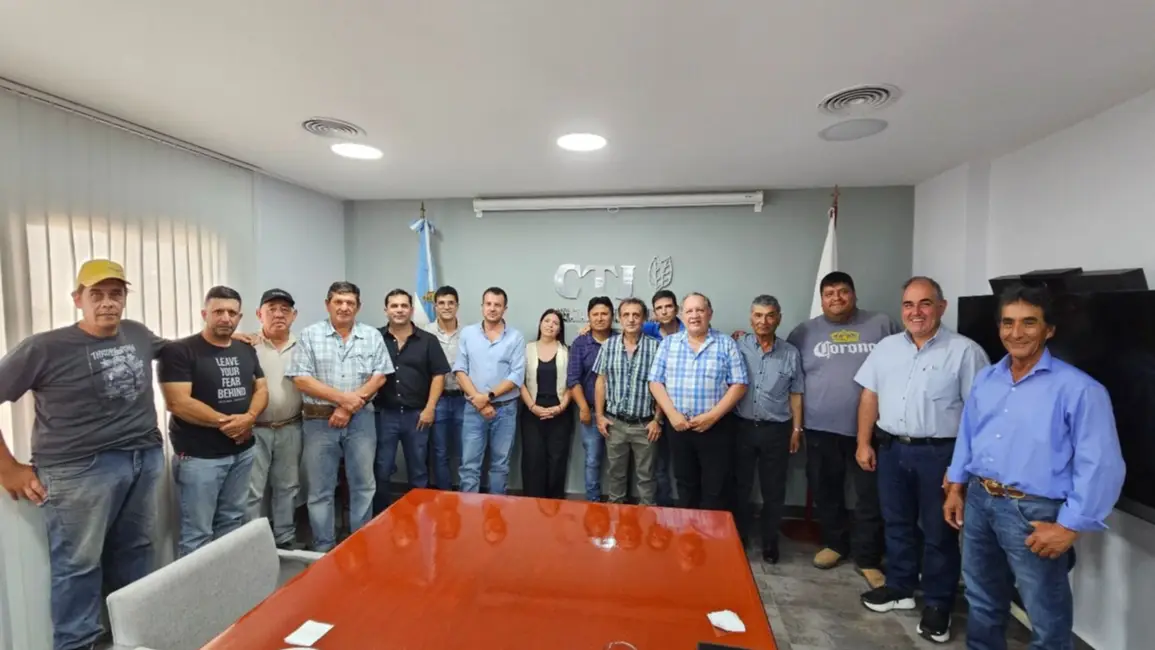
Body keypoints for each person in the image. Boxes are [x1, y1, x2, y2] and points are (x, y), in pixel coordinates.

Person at [944, 284, 1125, 650]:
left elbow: (1101, 464)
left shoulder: (1079, 389)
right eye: (1008, 323)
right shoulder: (987, 379)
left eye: (1029, 322)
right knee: (981, 600)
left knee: (1046, 616)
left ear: (1049, 329)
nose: (1016, 333)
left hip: (1033, 512)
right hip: (979, 500)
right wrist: (956, 485)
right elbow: (969, 434)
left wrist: (1069, 526)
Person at [0, 259, 166, 650]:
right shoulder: (44, 347)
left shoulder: (137, 333)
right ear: (78, 299)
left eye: (116, 294)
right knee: (79, 566)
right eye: (97, 294)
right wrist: (7, 468)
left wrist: (236, 336)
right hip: (78, 470)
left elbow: (180, 349)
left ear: (125, 298)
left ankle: (133, 639)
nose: (108, 302)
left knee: (137, 553)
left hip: (143, 458)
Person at [853, 277, 989, 643]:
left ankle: (938, 603)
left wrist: (960, 469)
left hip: (939, 454)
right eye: (909, 305)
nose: (916, 312)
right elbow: (869, 396)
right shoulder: (886, 348)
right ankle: (900, 587)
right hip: (892, 450)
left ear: (941, 307)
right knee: (896, 523)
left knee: (938, 532)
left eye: (925, 303)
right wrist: (863, 443)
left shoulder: (965, 352)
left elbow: (978, 415)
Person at [786, 271, 900, 586]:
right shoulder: (804, 332)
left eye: (843, 291)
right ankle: (835, 543)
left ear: (854, 294)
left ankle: (868, 557)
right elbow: (788, 370)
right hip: (820, 428)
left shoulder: (881, 324)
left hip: (871, 431)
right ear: (821, 299)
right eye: (829, 293)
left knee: (869, 496)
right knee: (826, 491)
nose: (836, 298)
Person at [159, 285, 269, 558]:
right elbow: (178, 403)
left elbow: (261, 388)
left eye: (232, 313)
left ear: (239, 317)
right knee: (197, 533)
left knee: (232, 521)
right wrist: (230, 424)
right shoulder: (180, 351)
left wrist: (250, 418)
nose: (225, 318)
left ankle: (225, 581)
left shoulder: (245, 349)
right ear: (204, 314)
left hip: (242, 453)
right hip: (200, 457)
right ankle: (196, 587)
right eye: (218, 311)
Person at [285, 281, 393, 552]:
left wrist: (348, 407)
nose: (344, 307)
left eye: (350, 303)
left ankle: (360, 543)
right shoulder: (310, 335)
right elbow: (301, 379)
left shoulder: (371, 335)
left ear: (358, 306)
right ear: (328, 304)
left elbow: (379, 376)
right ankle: (323, 547)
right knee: (320, 490)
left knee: (364, 485)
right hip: (318, 422)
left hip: (361, 420)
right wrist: (343, 400)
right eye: (338, 302)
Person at [648, 292, 748, 510]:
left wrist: (711, 417)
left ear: (709, 313)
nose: (694, 316)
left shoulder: (726, 343)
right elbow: (655, 382)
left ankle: (710, 532)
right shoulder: (669, 344)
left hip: (716, 428)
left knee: (715, 488)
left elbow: (739, 384)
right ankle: (688, 531)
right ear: (682, 315)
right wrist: (672, 415)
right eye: (689, 311)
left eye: (700, 310)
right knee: (685, 485)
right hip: (679, 427)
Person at [733, 295, 804, 564]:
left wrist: (796, 430)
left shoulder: (790, 353)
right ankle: (738, 536)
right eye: (758, 315)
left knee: (773, 489)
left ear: (778, 319)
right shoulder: (737, 346)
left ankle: (770, 541)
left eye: (770, 315)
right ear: (751, 318)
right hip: (741, 427)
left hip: (776, 430)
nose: (764, 321)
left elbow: (796, 393)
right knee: (740, 486)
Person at [373, 289, 450, 512]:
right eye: (394, 306)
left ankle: (420, 517)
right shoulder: (374, 338)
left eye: (404, 306)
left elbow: (439, 375)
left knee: (418, 470)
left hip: (417, 416)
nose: (399, 310)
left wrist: (430, 408)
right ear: (386, 310)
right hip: (383, 415)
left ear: (411, 310)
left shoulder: (428, 340)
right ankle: (380, 517)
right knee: (381, 469)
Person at [245, 288, 304, 550]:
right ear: (259, 314)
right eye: (272, 309)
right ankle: (250, 545)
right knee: (252, 491)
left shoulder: (304, 346)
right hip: (254, 430)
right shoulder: (246, 345)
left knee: (288, 486)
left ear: (294, 315)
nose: (279, 314)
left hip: (291, 426)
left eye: (284, 310)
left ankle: (284, 538)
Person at [454, 287, 526, 494]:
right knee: (469, 466)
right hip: (473, 409)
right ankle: (469, 511)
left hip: (505, 410)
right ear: (482, 306)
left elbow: (516, 375)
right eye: (488, 304)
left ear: (505, 309)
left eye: (497, 305)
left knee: (500, 466)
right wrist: (479, 401)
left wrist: (487, 397)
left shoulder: (515, 337)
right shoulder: (468, 334)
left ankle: (496, 511)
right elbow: (460, 370)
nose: (492, 308)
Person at [594, 298, 662, 505]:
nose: (631, 319)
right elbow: (601, 381)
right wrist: (599, 416)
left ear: (644, 318)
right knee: (615, 477)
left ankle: (647, 520)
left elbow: (662, 386)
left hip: (645, 425)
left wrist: (657, 420)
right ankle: (616, 520)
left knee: (647, 479)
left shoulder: (656, 347)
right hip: (615, 424)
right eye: (626, 315)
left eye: (636, 315)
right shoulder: (608, 346)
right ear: (619, 318)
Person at [519, 309, 572, 498]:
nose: (550, 325)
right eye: (547, 321)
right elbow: (519, 382)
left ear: (560, 329)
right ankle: (532, 503)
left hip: (560, 412)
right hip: (532, 410)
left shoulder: (567, 351)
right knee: (533, 459)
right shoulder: (527, 349)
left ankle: (554, 505)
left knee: (557, 460)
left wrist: (560, 407)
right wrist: (533, 407)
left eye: (555, 323)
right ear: (540, 324)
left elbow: (572, 384)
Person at [568, 296, 614, 502]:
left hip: (618, 413)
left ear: (612, 316)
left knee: (619, 463)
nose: (600, 318)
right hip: (591, 412)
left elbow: (647, 325)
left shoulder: (622, 339)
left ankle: (619, 504)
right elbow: (573, 378)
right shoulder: (580, 343)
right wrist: (584, 408)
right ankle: (593, 503)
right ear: (588, 317)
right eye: (595, 314)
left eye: (604, 313)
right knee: (593, 460)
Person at [642, 289, 682, 506]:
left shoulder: (689, 330)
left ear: (676, 309)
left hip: (682, 408)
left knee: (685, 466)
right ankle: (664, 510)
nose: (664, 311)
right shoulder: (649, 329)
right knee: (659, 466)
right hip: (656, 409)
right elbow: (626, 330)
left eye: (668, 306)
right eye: (659, 308)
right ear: (654, 313)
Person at [424, 285, 465, 490]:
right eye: (441, 303)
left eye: (451, 303)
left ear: (457, 306)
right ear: (435, 307)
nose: (446, 307)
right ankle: (443, 494)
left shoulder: (469, 333)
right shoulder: (425, 333)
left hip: (463, 399)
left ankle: (465, 497)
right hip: (437, 399)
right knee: (439, 451)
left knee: (465, 451)